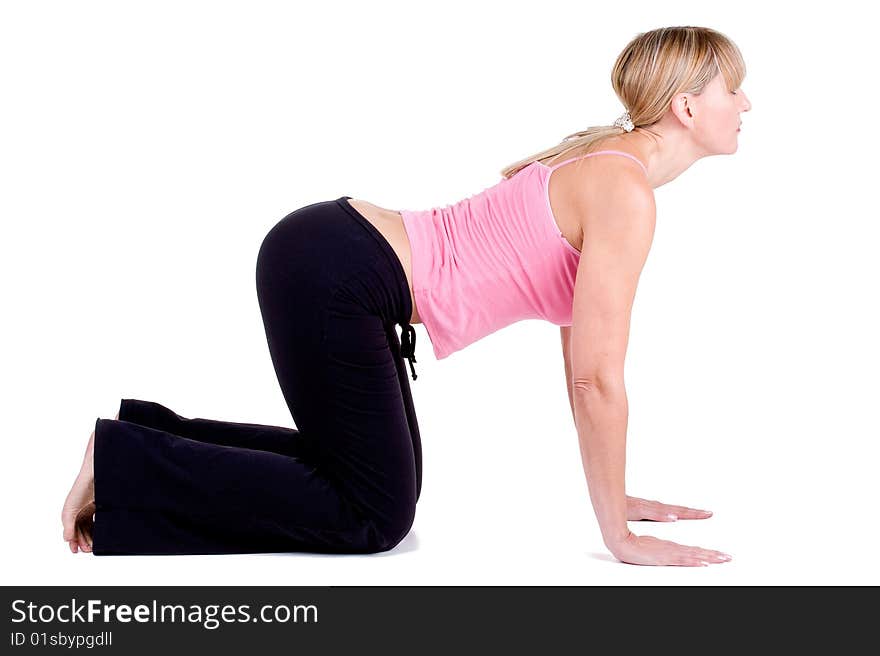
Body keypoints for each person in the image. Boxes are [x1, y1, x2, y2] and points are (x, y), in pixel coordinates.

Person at [62, 25, 751, 565]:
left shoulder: (607, 169)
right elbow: (595, 381)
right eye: (735, 88)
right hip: (340, 273)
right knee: (374, 513)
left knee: (372, 484)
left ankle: (131, 442)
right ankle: (127, 465)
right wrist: (618, 536)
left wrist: (615, 500)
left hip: (336, 258)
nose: (746, 103)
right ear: (687, 107)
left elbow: (585, 372)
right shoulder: (623, 191)